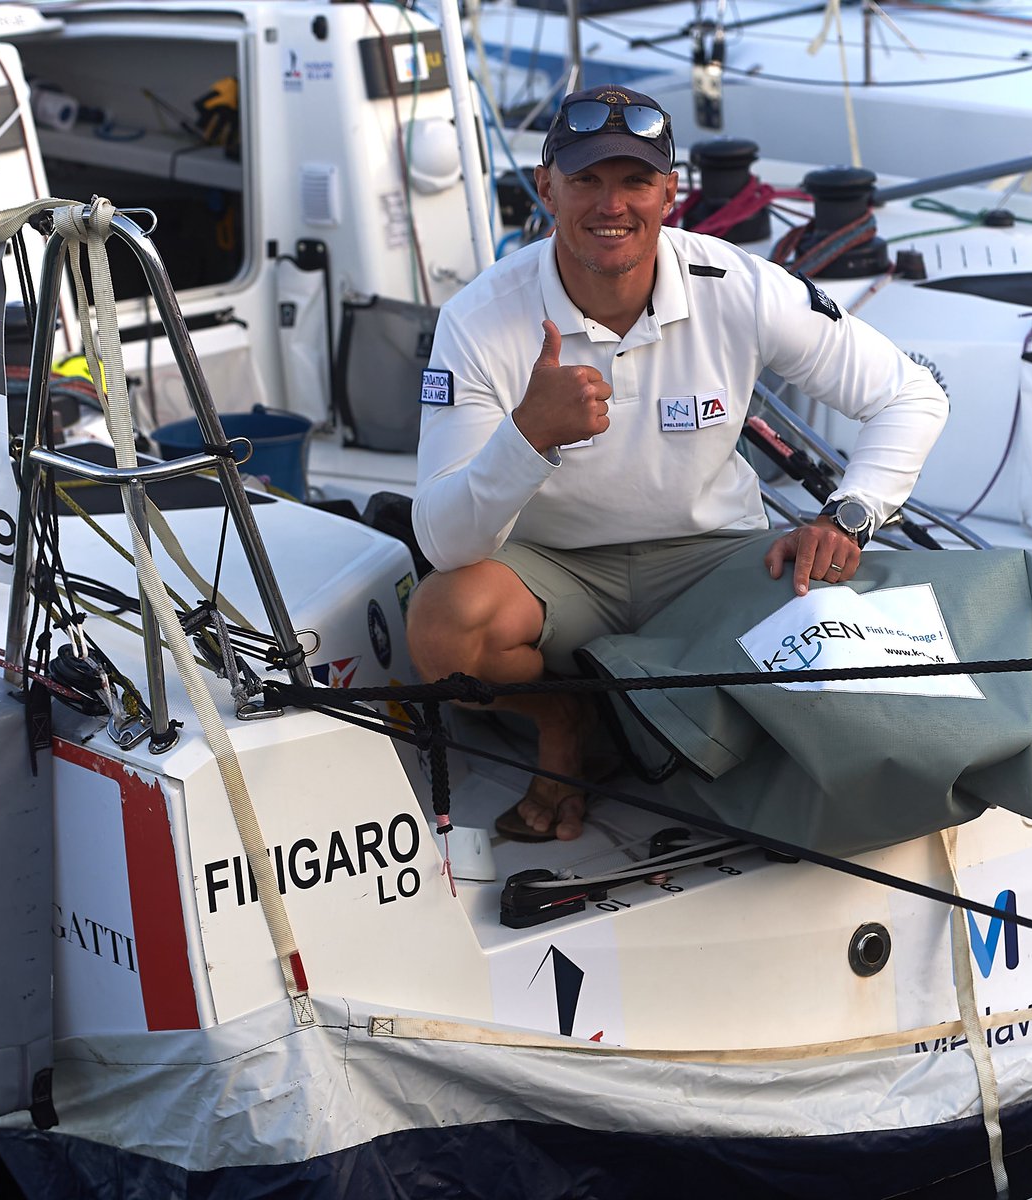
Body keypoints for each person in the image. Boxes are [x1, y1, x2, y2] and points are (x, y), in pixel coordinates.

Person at [405, 84, 948, 842]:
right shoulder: (478, 317)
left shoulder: (742, 286)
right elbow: (442, 541)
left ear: (670, 192)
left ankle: (693, 749)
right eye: (587, 180)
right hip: (553, 568)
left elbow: (911, 395)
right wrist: (527, 436)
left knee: (841, 614)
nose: (610, 204)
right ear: (546, 188)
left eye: (633, 181)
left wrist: (848, 514)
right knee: (443, 625)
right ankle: (568, 721)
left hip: (713, 562)